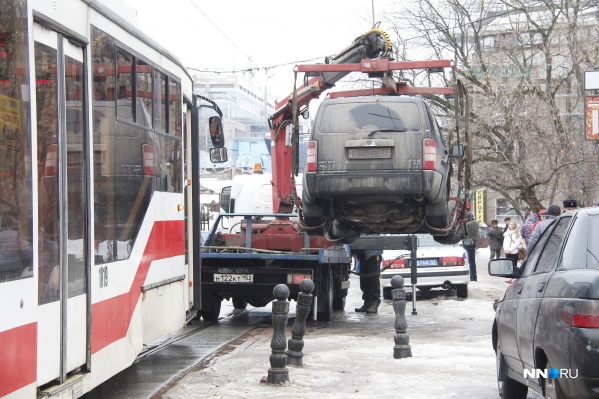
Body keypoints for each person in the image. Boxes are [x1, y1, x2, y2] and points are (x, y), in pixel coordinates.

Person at [353, 248, 383, 314]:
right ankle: (367, 304)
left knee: (373, 280)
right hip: (363, 255)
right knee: (364, 281)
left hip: (373, 255)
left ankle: (374, 303)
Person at [463, 216, 480, 281]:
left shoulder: (467, 224)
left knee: (466, 260)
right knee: (472, 261)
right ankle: (474, 276)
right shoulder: (476, 223)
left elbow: (463, 232)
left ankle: (470, 276)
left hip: (466, 243)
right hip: (473, 243)